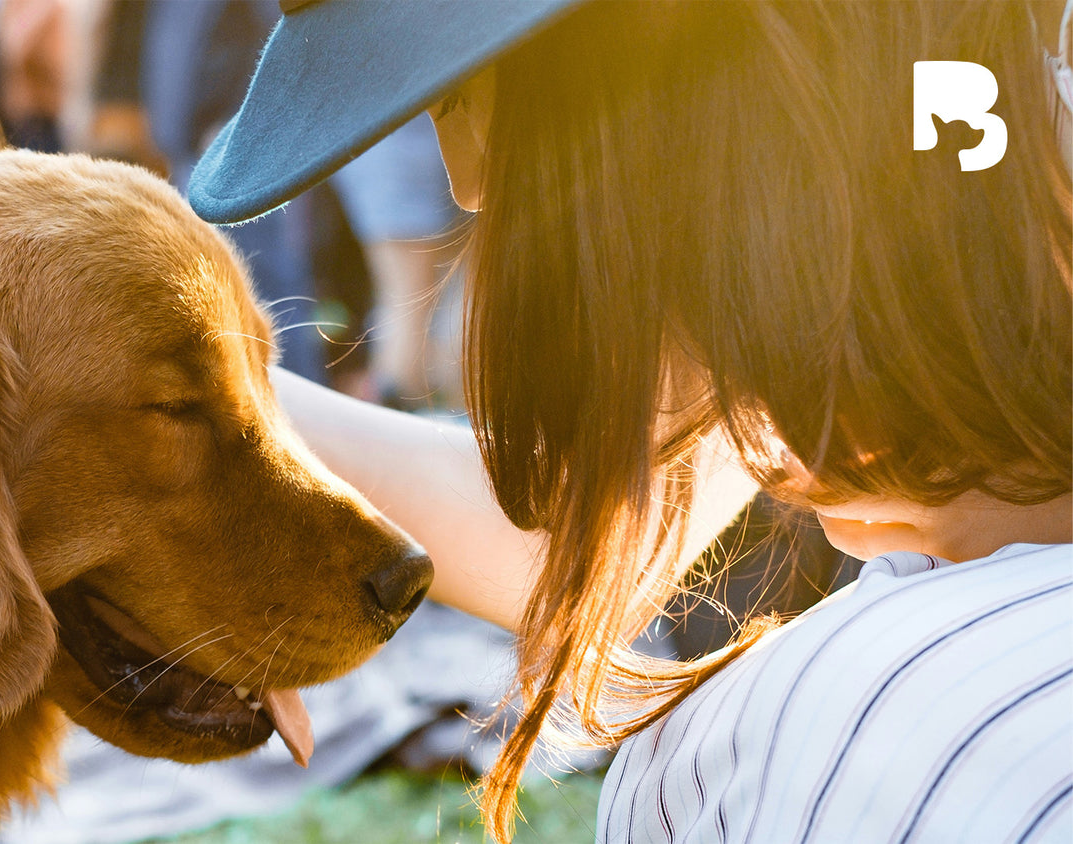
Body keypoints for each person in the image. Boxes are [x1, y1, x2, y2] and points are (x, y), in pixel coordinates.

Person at [186, 1, 1073, 842]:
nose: (464, 185)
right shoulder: (807, 191)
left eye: (453, 93)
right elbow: (583, 540)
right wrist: (195, 392)